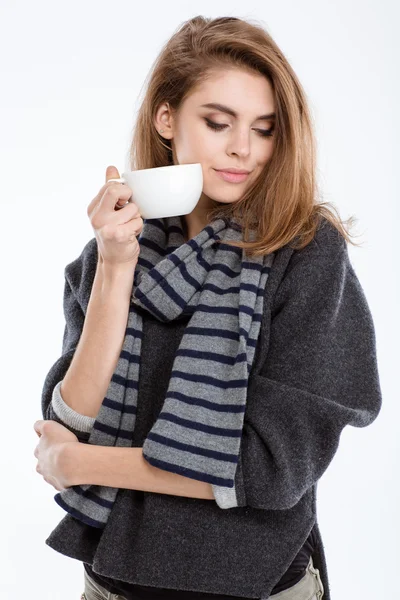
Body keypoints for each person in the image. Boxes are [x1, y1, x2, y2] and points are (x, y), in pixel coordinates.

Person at [33, 15, 382, 600]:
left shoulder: (305, 252)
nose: (243, 148)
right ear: (166, 118)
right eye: (218, 122)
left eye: (264, 129)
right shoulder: (116, 248)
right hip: (112, 584)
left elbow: (269, 469)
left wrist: (82, 467)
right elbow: (70, 417)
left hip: (257, 587)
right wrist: (116, 268)